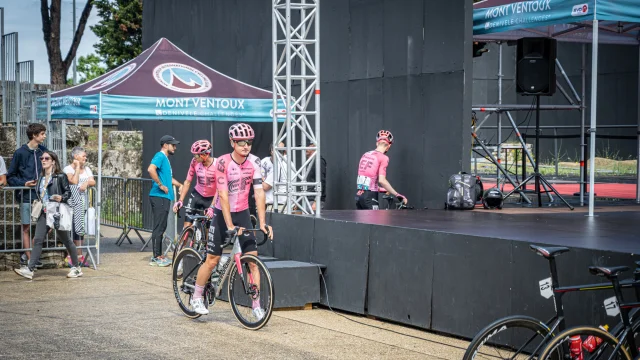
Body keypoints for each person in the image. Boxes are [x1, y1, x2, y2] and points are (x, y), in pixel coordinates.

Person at [190, 123, 273, 318]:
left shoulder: (255, 162)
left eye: (249, 142)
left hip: (243, 212)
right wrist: (228, 225)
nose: (246, 145)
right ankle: (196, 296)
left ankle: (256, 305)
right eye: (241, 142)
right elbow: (223, 195)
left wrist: (262, 222)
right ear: (232, 142)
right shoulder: (222, 163)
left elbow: (259, 192)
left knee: (253, 261)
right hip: (221, 213)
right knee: (212, 260)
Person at [14, 151, 83, 279]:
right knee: (38, 239)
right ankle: (30, 269)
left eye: (47, 158)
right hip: (44, 212)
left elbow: (68, 193)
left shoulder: (60, 176)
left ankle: (77, 267)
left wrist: (61, 197)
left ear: (53, 161)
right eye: (42, 158)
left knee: (66, 240)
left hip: (57, 211)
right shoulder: (40, 177)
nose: (43, 160)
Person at [7, 123, 48, 266]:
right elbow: (10, 176)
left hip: (42, 196)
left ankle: (31, 254)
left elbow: (51, 169)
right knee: (26, 226)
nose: (44, 136)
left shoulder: (44, 151)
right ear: (34, 135)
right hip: (25, 196)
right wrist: (24, 183)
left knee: (46, 226)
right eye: (42, 134)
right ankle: (30, 259)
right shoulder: (20, 153)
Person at [147, 135, 183, 267]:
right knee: (159, 226)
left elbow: (169, 178)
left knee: (162, 226)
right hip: (159, 196)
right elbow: (151, 169)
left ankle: (159, 255)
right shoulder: (160, 156)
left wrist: (179, 185)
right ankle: (156, 256)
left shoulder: (165, 159)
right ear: (165, 145)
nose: (175, 147)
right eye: (172, 145)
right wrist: (160, 185)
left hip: (163, 197)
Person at [355, 130, 407, 210]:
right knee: (374, 222)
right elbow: (382, 180)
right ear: (388, 146)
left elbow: (366, 182)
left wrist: (382, 189)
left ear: (377, 143)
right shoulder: (383, 158)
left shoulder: (365, 155)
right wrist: (397, 195)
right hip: (370, 197)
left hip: (359, 196)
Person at [173, 140, 217, 230]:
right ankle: (182, 244)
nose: (194, 157)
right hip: (197, 195)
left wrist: (212, 206)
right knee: (186, 226)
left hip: (211, 198)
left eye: (196, 155)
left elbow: (220, 189)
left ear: (205, 155)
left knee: (209, 230)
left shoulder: (217, 164)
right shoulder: (194, 162)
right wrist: (180, 200)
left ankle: (206, 243)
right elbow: (187, 181)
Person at [64, 147, 96, 267]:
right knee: (71, 230)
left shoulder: (87, 169)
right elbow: (72, 180)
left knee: (80, 232)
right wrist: (77, 167)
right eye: (83, 156)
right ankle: (70, 256)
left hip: (82, 204)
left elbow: (93, 181)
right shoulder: (67, 169)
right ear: (76, 157)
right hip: (70, 205)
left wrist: (86, 183)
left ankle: (79, 255)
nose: (85, 158)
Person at [261, 142, 287, 212]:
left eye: (281, 150)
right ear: (271, 151)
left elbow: (265, 186)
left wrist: (256, 177)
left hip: (279, 206)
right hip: (286, 205)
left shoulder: (279, 165)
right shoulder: (291, 163)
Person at [305, 144, 327, 211]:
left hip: (313, 200)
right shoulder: (310, 162)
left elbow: (321, 181)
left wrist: (316, 201)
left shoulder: (319, 161)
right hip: (308, 199)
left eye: (307, 147)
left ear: (313, 146)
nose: (304, 149)